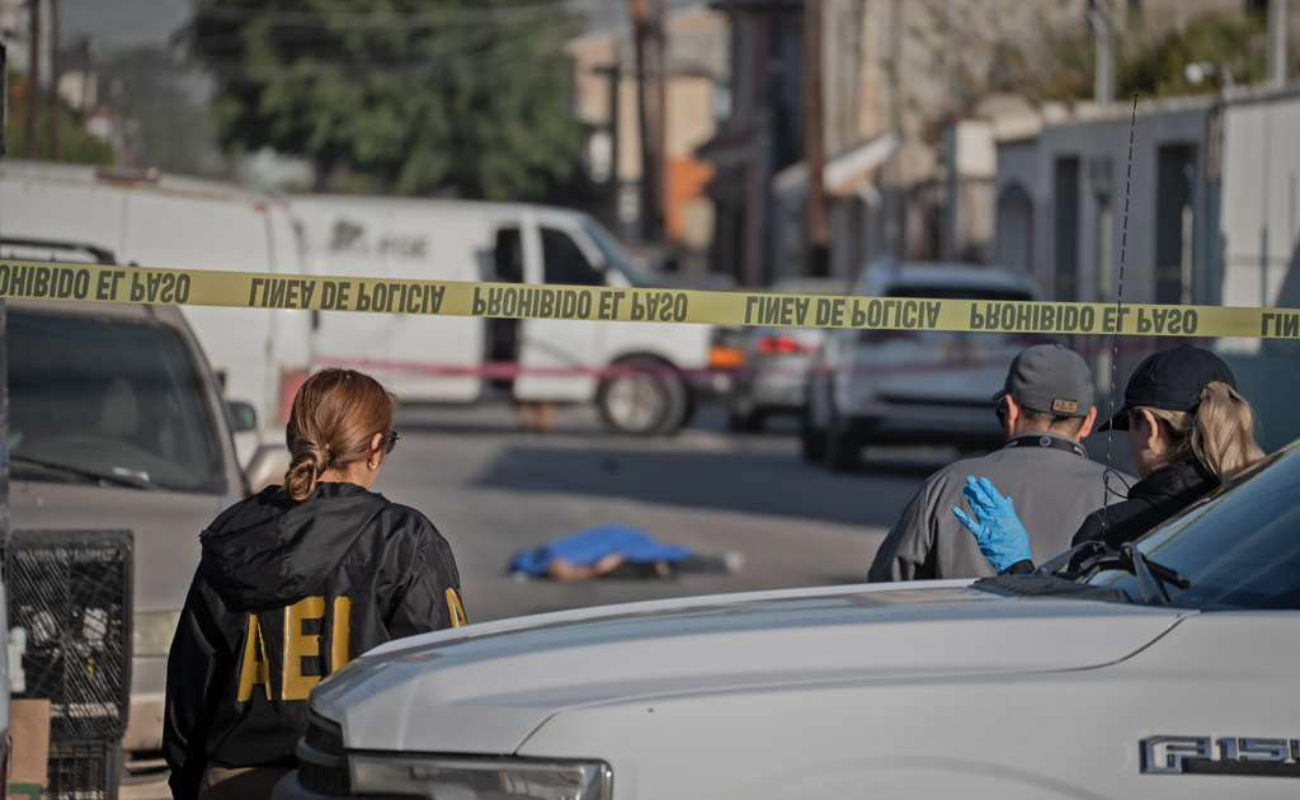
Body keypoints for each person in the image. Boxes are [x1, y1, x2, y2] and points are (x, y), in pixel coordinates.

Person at [163, 369, 466, 800]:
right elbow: (442, 679)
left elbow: (190, 688)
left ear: (294, 440)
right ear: (376, 448)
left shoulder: (236, 535)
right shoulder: (404, 540)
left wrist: (190, 783)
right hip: (359, 781)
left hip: (234, 781)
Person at [956, 345, 1265, 574]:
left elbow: (1072, 633)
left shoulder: (1112, 531)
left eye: (1128, 425)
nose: (1129, 442)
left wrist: (1017, 567)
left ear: (1150, 426)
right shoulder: (1271, 512)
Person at [867, 344, 1118, 581]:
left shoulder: (948, 485)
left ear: (1011, 411)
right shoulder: (1123, 493)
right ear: (1089, 421)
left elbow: (889, 585)